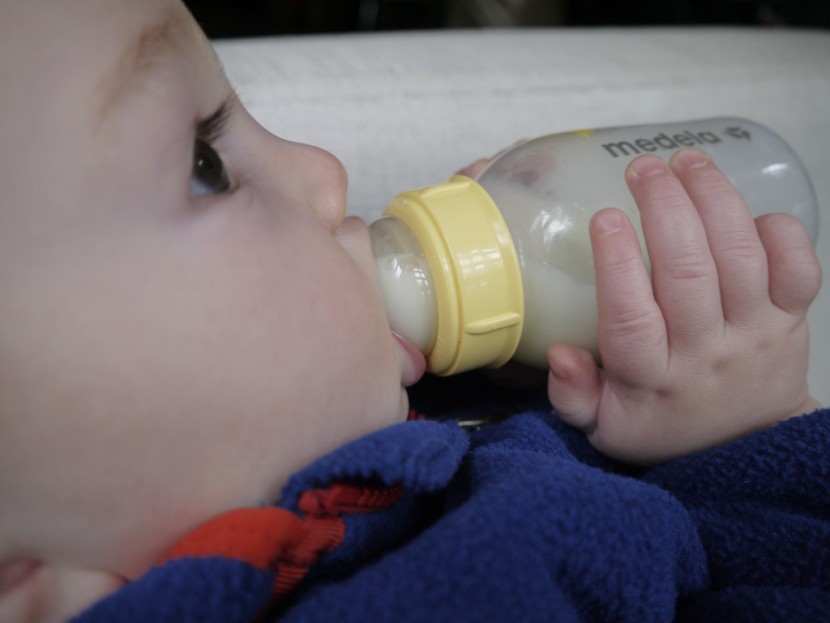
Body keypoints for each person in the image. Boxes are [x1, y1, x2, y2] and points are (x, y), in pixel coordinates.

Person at [0, 1, 824, 622]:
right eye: (204, 165)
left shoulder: (317, 450)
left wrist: (541, 378)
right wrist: (747, 446)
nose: (325, 172)